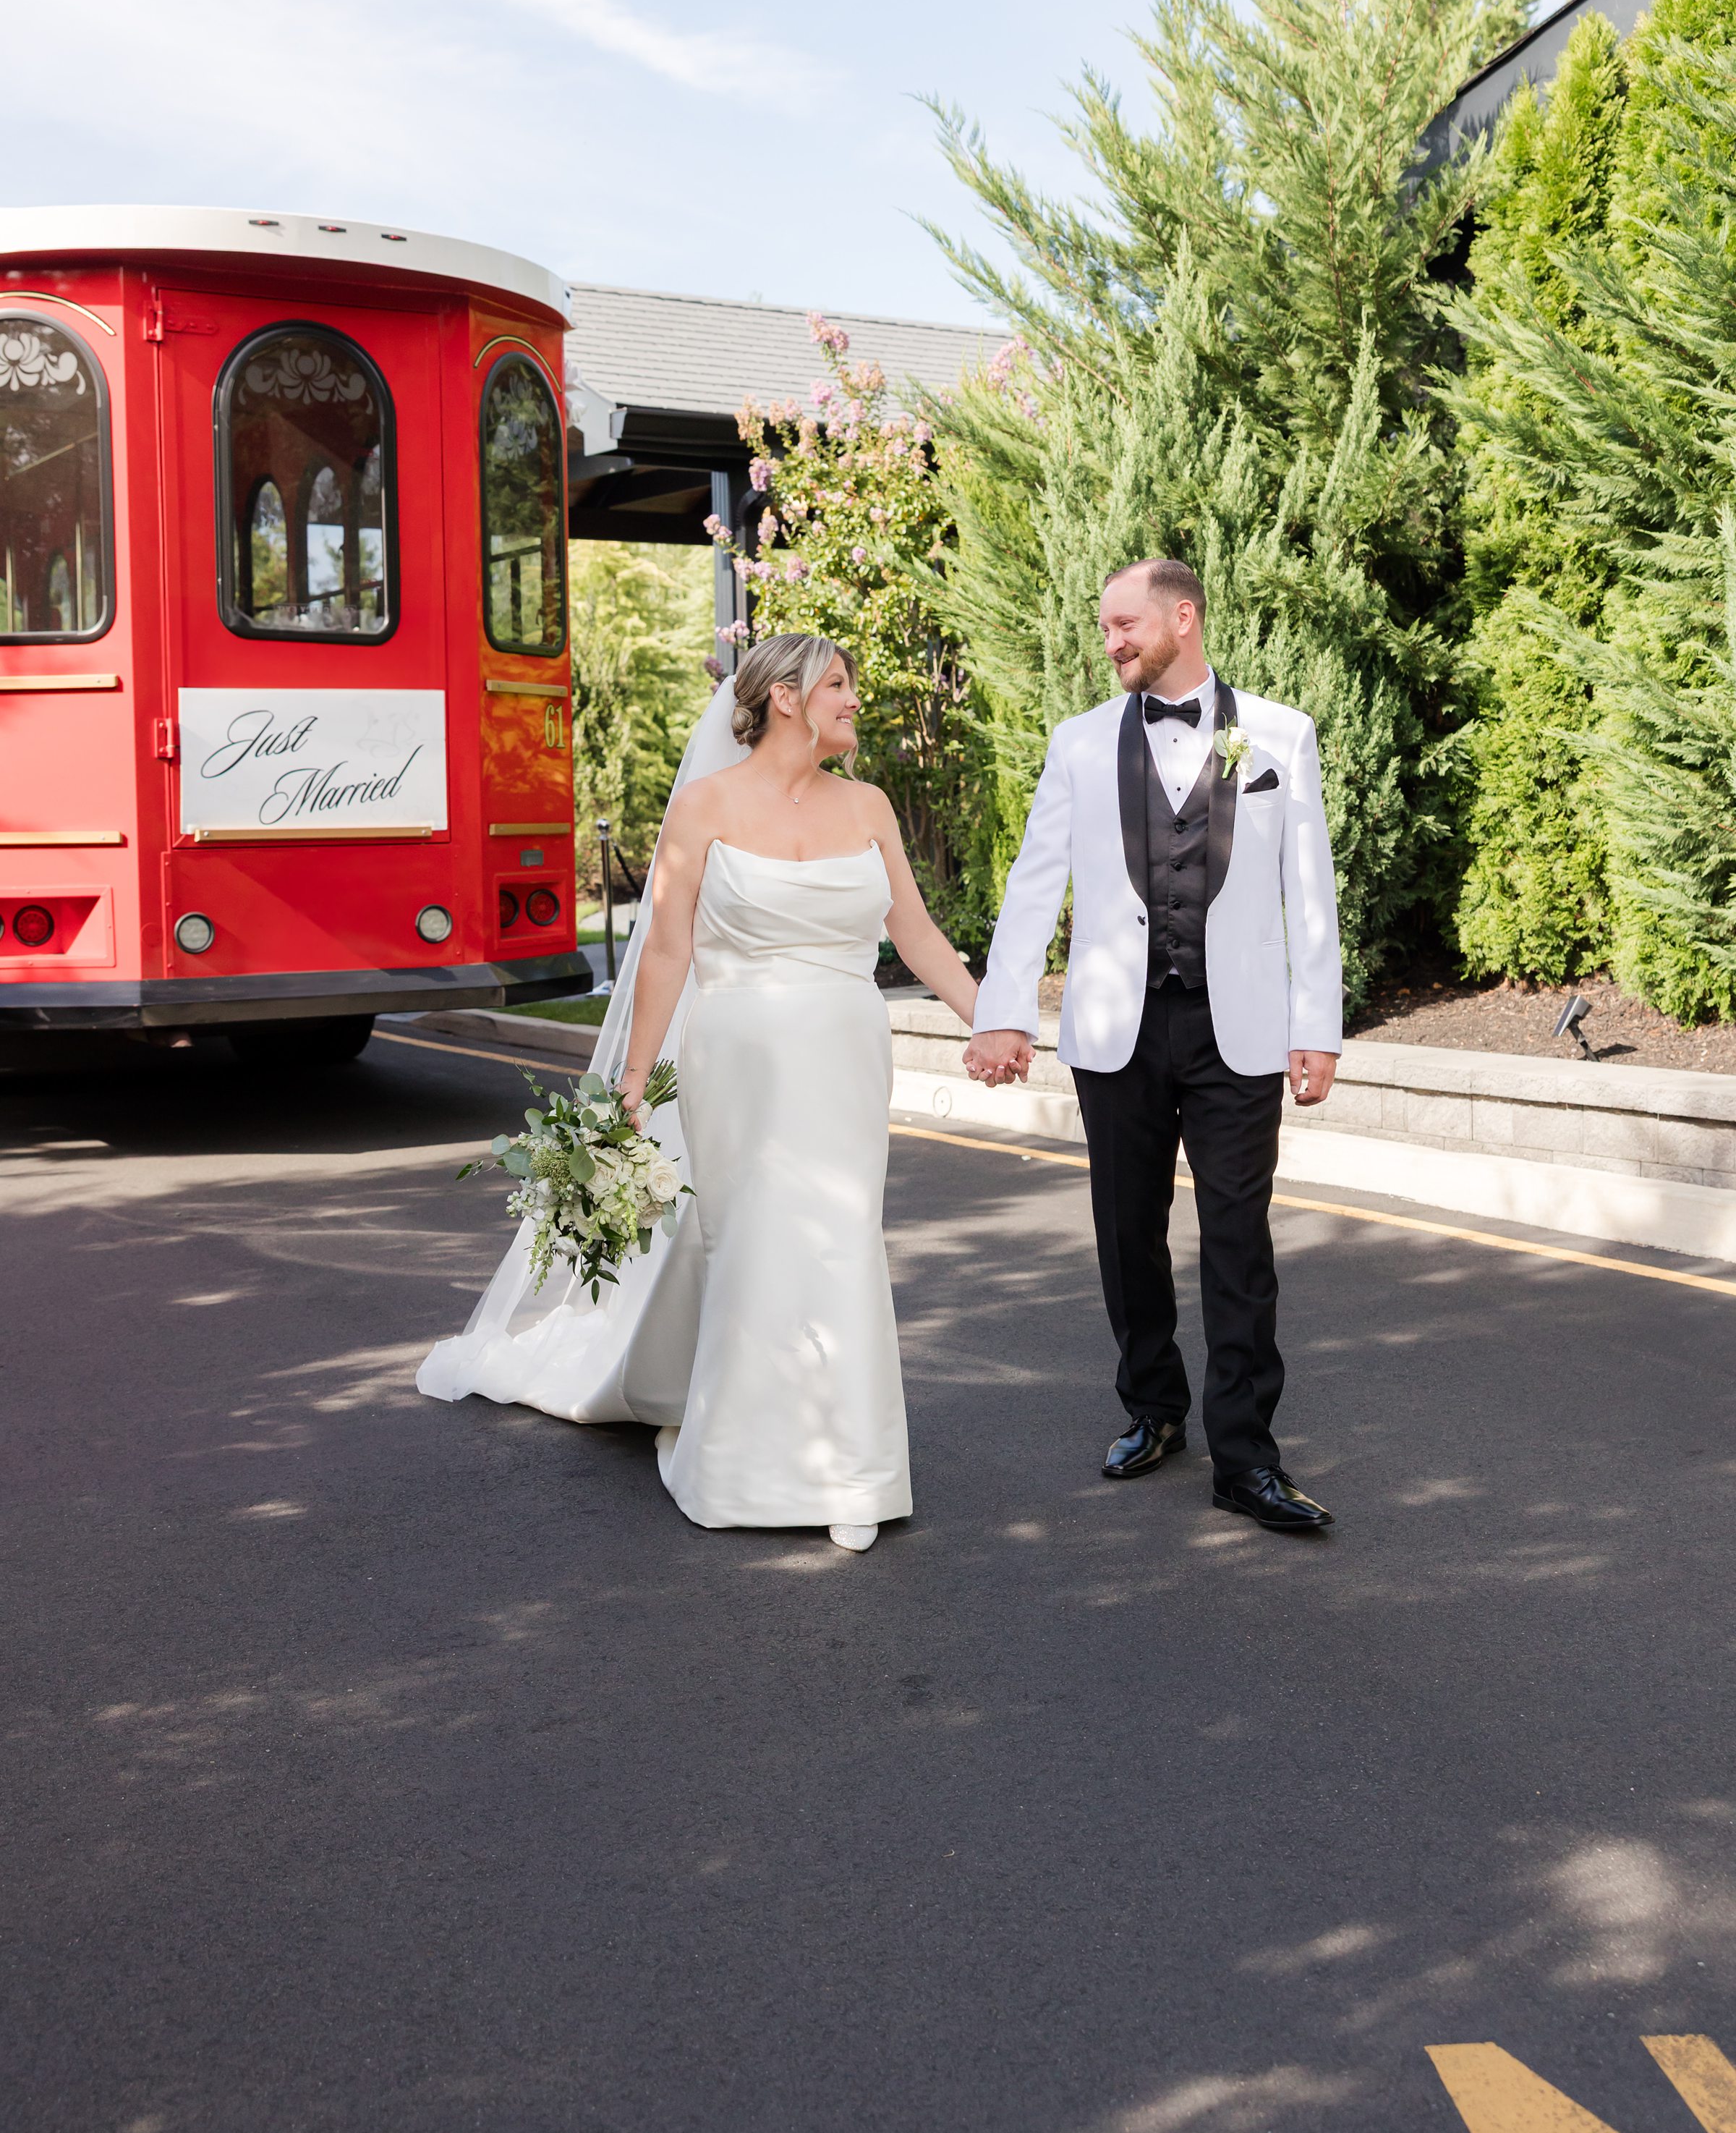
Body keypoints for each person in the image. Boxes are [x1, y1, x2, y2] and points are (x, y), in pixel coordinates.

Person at [420, 635, 982, 1555]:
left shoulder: (870, 806)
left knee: (841, 1240)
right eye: (838, 685)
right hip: (738, 1060)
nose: (852, 700)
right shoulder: (704, 806)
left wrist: (990, 1021)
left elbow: (915, 934)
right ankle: (745, 1465)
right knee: (756, 1243)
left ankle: (854, 1472)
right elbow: (670, 951)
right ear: (788, 699)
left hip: (844, 1053)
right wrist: (633, 1081)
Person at [964, 558, 1343, 1532]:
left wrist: (1319, 1028)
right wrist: (1004, 1009)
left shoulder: (1277, 736)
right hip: (1116, 1028)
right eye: (1103, 628)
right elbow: (1033, 882)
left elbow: (1311, 892)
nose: (1112, 641)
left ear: (1184, 617)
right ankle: (1153, 1408)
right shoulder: (1081, 744)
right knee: (1128, 1235)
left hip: (1239, 1028)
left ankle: (1247, 1460)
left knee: (1238, 1244)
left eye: (1125, 623)